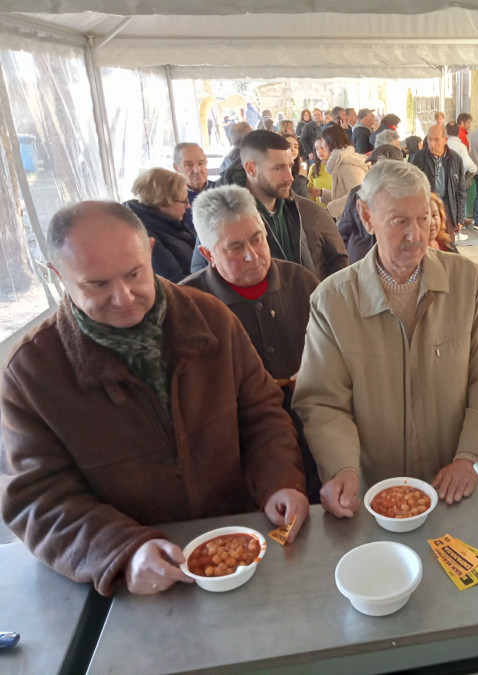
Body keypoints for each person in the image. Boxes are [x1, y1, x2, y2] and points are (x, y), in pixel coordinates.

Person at [0, 201, 309, 596]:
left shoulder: (211, 319)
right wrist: (123, 551)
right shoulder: (33, 370)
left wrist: (278, 481)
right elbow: (37, 500)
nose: (124, 297)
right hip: (134, 582)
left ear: (149, 251)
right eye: (97, 284)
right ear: (58, 275)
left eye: (134, 274)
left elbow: (262, 411)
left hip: (242, 551)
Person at [293, 161, 478, 518]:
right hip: (373, 494)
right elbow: (322, 401)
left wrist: (472, 455)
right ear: (366, 216)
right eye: (399, 221)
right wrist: (342, 469)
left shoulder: (465, 281)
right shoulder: (332, 301)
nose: (416, 235)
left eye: (423, 218)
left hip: (454, 486)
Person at [182, 186, 322, 502]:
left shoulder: (302, 283)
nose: (252, 254)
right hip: (239, 447)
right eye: (234, 248)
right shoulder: (189, 306)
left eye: (257, 238)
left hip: (313, 432)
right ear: (208, 255)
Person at [215, 130, 348, 280]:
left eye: (290, 166)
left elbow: (340, 263)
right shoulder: (222, 220)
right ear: (251, 169)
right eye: (278, 168)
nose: (289, 177)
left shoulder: (310, 212)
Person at [125, 168, 196, 283]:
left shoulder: (172, 220)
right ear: (163, 202)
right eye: (184, 201)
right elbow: (176, 282)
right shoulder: (144, 235)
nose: (188, 206)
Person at [337, 144, 404, 263]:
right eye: (372, 165)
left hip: (394, 264)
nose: (371, 169)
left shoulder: (407, 195)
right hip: (360, 263)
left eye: (376, 166)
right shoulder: (358, 193)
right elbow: (343, 232)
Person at [410, 125, 467, 243]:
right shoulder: (420, 157)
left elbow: (461, 190)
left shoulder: (455, 159)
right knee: (428, 245)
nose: (432, 144)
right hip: (427, 209)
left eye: (436, 140)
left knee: (448, 247)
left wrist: (460, 218)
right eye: (429, 139)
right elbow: (412, 186)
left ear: (445, 140)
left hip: (448, 210)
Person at [322, 125, 368, 220]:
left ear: (330, 142)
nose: (322, 145)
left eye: (323, 141)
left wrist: (330, 209)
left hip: (353, 223)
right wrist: (322, 194)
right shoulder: (340, 161)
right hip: (350, 219)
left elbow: (356, 194)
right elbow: (344, 192)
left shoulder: (347, 164)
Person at [172, 142, 215, 234]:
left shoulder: (221, 190)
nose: (197, 170)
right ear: (176, 167)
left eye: (201, 163)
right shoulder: (172, 202)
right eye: (189, 165)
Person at [279, 131, 310, 199]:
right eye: (289, 146)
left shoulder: (297, 170)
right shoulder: (277, 171)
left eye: (296, 147)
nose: (293, 149)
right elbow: (289, 195)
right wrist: (302, 178)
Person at [307, 137, 333, 208]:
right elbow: (310, 190)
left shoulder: (337, 167)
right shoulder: (313, 168)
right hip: (320, 211)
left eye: (322, 148)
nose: (319, 151)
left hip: (336, 211)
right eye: (317, 148)